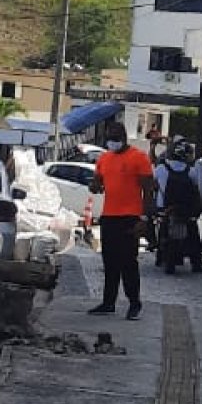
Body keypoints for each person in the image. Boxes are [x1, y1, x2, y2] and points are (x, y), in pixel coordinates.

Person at [87, 121, 155, 320]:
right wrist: (94, 185)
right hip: (109, 216)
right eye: (109, 139)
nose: (112, 142)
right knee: (109, 262)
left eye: (115, 138)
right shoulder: (104, 158)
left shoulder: (139, 158)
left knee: (128, 262)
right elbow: (98, 182)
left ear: (124, 137)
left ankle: (134, 303)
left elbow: (149, 190)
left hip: (131, 217)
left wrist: (144, 218)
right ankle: (108, 302)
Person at [154, 140, 202, 274]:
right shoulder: (191, 171)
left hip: (164, 208)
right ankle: (196, 264)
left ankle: (160, 256)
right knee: (193, 235)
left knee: (162, 230)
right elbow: (196, 190)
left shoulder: (160, 168)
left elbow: (153, 185)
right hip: (184, 209)